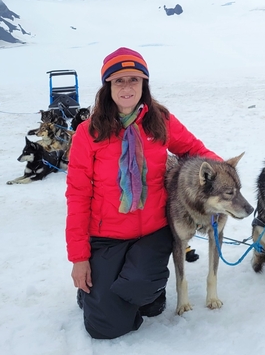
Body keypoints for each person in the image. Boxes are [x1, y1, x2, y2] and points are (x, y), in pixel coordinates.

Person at [65, 47, 221, 339]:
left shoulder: (160, 120)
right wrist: (79, 258)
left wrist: (223, 176)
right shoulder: (89, 133)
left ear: (144, 84)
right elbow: (77, 196)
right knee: (105, 328)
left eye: (134, 80)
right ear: (107, 86)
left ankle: (139, 294)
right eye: (119, 80)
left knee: (141, 292)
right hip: (105, 236)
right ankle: (104, 296)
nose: (127, 87)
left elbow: (195, 150)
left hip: (152, 232)